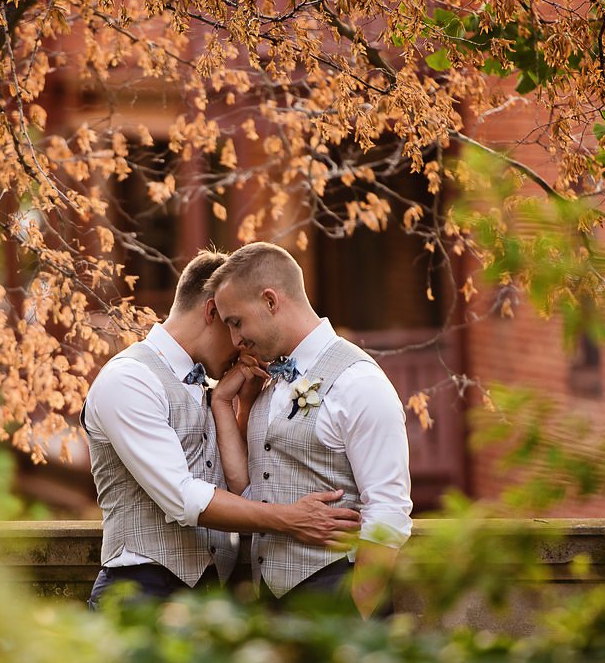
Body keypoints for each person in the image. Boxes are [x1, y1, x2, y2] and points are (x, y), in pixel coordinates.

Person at [83, 249, 360, 609]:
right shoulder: (128, 379)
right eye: (235, 324)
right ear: (212, 311)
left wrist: (231, 407)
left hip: (210, 598)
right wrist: (290, 519)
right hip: (139, 592)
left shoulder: (205, 388)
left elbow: (239, 487)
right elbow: (182, 497)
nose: (243, 342)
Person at [207, 242, 413, 618]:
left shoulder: (359, 382)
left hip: (338, 602)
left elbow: (389, 510)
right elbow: (251, 491)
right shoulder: (268, 386)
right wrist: (227, 405)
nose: (236, 340)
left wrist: (358, 612)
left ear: (271, 301)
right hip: (272, 606)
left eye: (236, 322)